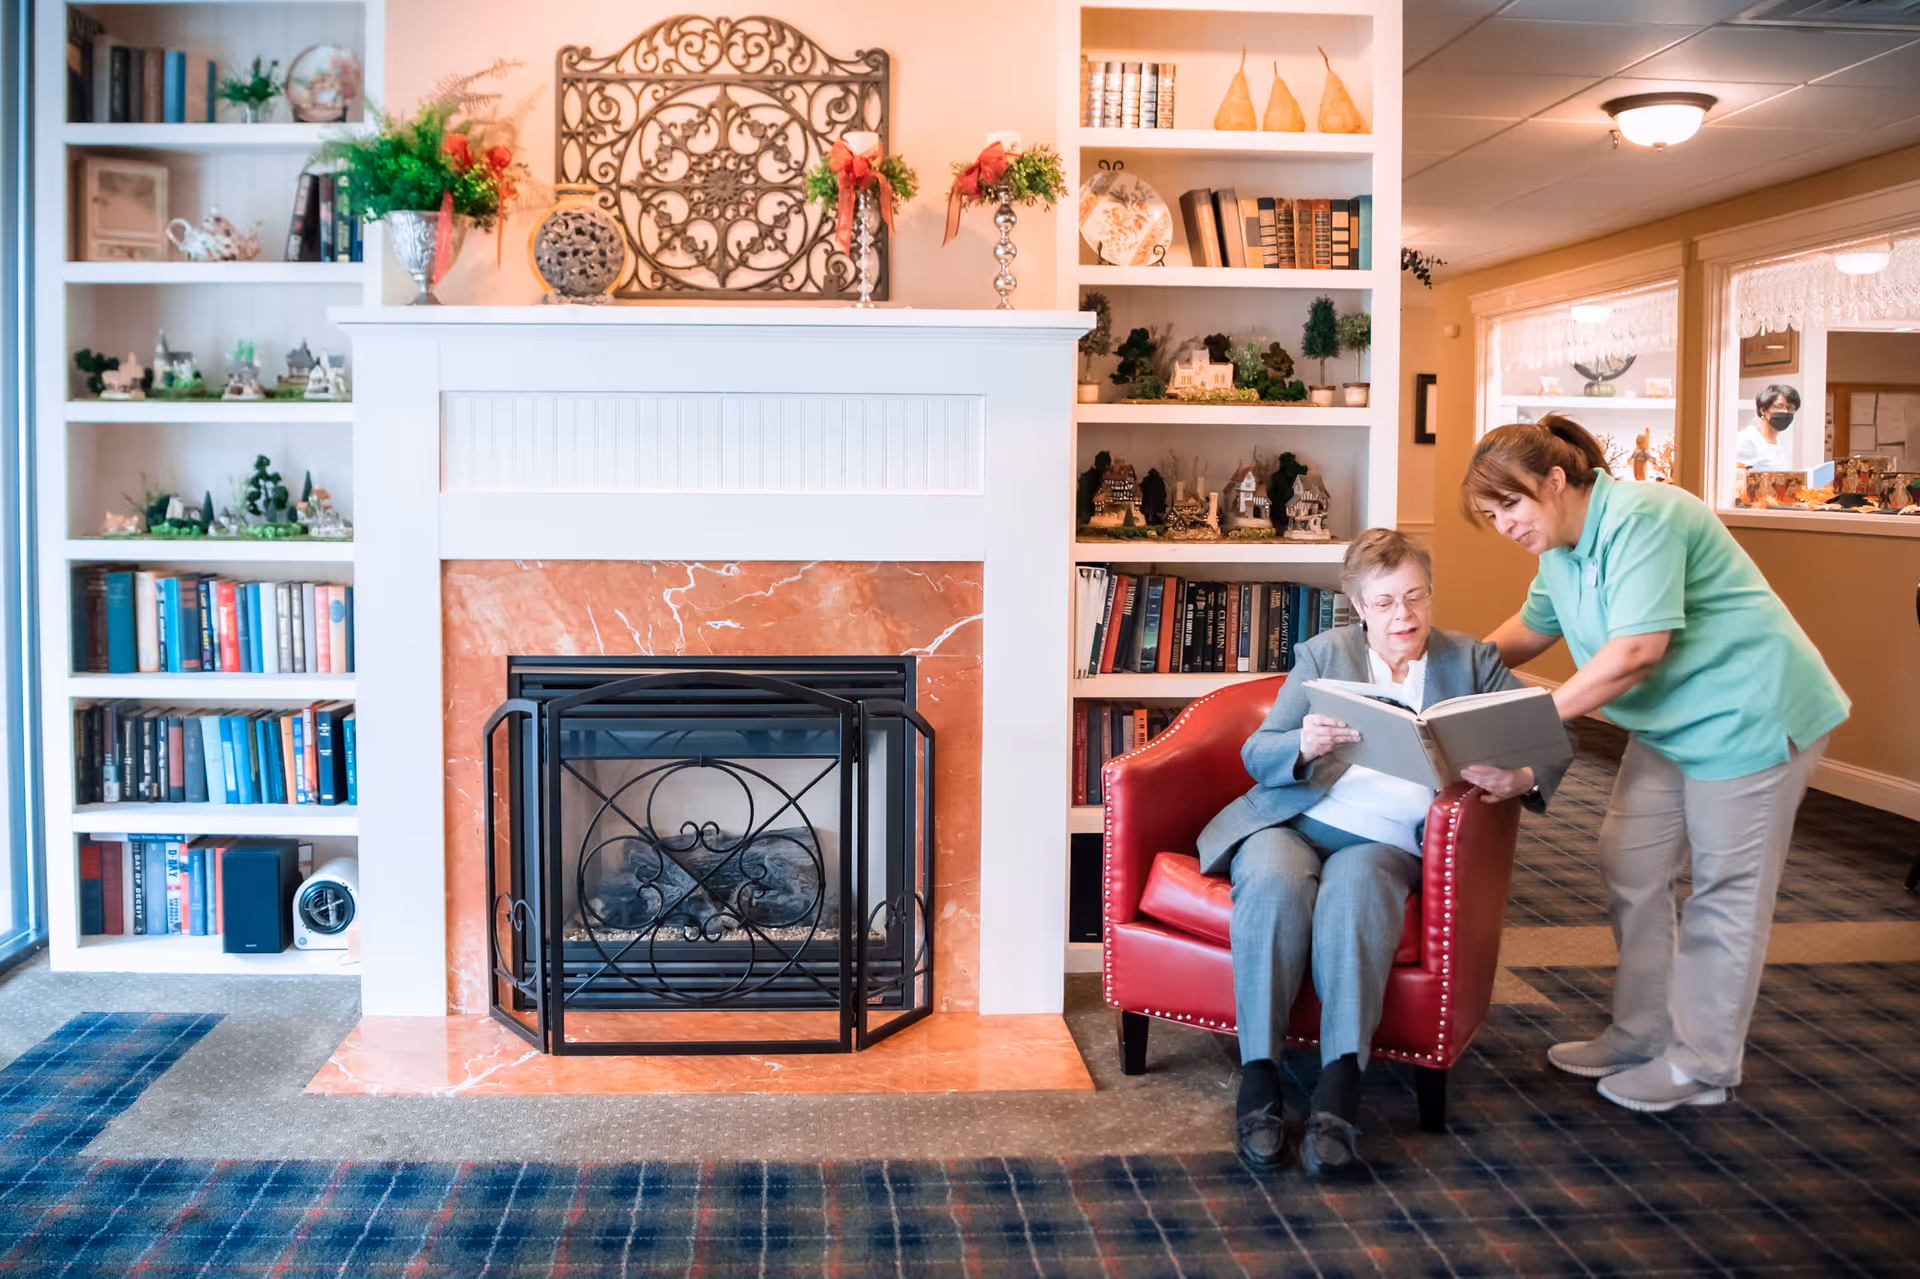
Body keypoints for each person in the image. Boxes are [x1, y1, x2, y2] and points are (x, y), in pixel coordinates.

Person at [1463, 414, 1848, 1114]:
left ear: (1555, 480)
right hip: (1671, 727)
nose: (1505, 526)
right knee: (1629, 863)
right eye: (1491, 515)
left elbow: (1638, 651)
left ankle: (1702, 1064)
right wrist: (1446, 671)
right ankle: (1642, 1032)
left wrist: (1529, 720)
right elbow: (1530, 630)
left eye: (1510, 504)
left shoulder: (1647, 514)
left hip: (1751, 718)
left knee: (1725, 892)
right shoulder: (1560, 549)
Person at [1195, 529, 1573, 1174]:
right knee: (1275, 883)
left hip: (1388, 842)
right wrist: (1303, 745)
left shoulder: (1470, 661)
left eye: (1417, 597)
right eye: (1387, 602)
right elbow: (1257, 753)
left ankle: (1341, 1087)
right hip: (1297, 821)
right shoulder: (1323, 654)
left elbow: (1548, 738)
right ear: (1360, 606)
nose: (1405, 616)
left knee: (1358, 896)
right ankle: (1259, 1077)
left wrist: (1524, 778)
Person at [1736, 384, 1799, 471]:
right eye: (1779, 406)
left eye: (1790, 408)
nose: (1785, 412)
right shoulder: (1746, 440)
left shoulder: (1777, 444)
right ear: (1763, 410)